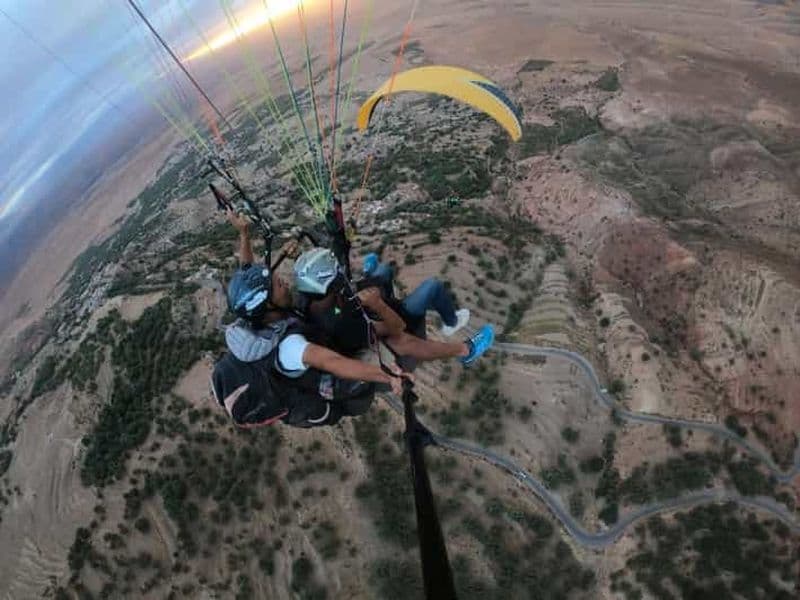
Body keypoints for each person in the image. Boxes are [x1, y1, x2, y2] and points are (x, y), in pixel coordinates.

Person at [210, 210, 409, 429]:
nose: (285, 283)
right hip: (328, 387)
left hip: (304, 339)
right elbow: (333, 362)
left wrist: (244, 234)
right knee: (364, 373)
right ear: (268, 305)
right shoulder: (290, 347)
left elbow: (246, 277)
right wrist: (388, 377)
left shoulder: (251, 318)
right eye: (279, 285)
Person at [293, 247, 495, 367]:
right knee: (432, 287)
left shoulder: (310, 300)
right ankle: (455, 329)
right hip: (392, 320)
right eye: (338, 276)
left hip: (364, 309)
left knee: (384, 270)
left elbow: (342, 296)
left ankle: (375, 278)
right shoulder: (345, 325)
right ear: (334, 286)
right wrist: (378, 304)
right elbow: (397, 328)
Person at [362, 253, 470, 337]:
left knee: (383, 268)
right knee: (433, 285)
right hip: (399, 315)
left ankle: (388, 295)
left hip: (379, 307)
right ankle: (452, 323)